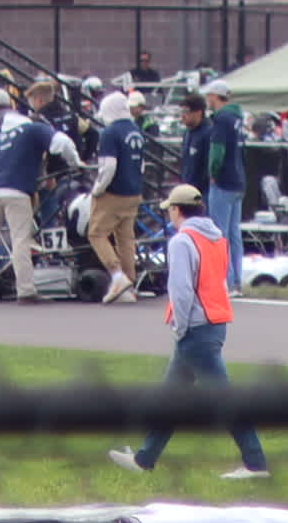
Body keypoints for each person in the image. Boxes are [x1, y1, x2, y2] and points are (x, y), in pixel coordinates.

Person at [107, 184, 270, 483]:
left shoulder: (182, 241)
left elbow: (181, 291)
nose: (169, 213)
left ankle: (256, 462)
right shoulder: (217, 237)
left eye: (170, 208)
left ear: (177, 210)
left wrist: (180, 327)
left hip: (195, 327)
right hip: (215, 321)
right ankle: (145, 458)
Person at [0, 87, 52, 299]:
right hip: (20, 184)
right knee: (21, 239)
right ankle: (25, 290)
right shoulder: (23, 122)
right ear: (11, 105)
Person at [83, 90, 147, 301]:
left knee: (97, 233)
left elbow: (108, 166)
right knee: (125, 238)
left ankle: (117, 275)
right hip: (134, 191)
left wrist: (97, 189)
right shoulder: (136, 130)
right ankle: (130, 284)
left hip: (114, 191)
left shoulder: (110, 133)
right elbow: (142, 165)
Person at [188, 80, 250, 241]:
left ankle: (223, 267)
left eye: (209, 95)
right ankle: (235, 267)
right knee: (234, 233)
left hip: (223, 182)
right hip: (238, 179)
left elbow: (217, 150)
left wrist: (212, 173)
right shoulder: (237, 118)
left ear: (215, 96)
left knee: (219, 232)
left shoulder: (221, 119)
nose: (208, 99)